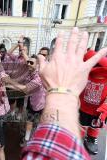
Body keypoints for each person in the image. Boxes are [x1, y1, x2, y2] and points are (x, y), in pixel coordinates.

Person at [22, 28, 107, 159]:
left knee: (91, 126)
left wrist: (60, 92)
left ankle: (90, 137)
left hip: (53, 108)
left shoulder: (57, 69)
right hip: (44, 106)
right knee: (79, 125)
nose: (42, 58)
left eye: (45, 55)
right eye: (41, 55)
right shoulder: (50, 69)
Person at [79, 49, 107, 155]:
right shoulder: (85, 75)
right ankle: (77, 136)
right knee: (81, 124)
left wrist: (105, 109)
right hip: (83, 107)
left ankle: (91, 138)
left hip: (98, 111)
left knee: (94, 126)